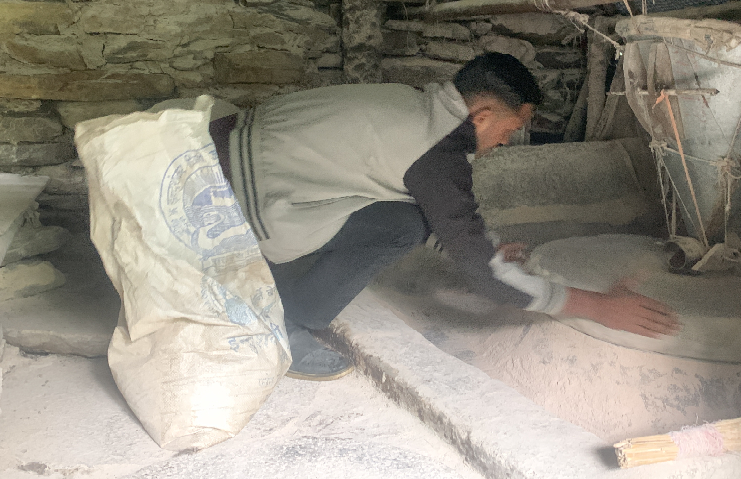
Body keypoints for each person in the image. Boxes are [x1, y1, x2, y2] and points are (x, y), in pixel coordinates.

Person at [208, 52, 680, 381]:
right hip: (226, 209)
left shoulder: (411, 104)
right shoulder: (435, 153)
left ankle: (279, 293)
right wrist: (598, 306)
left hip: (217, 155)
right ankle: (287, 323)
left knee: (410, 220)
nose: (505, 142)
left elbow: (434, 206)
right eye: (510, 128)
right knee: (405, 227)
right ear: (483, 115)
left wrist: (477, 245)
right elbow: (485, 277)